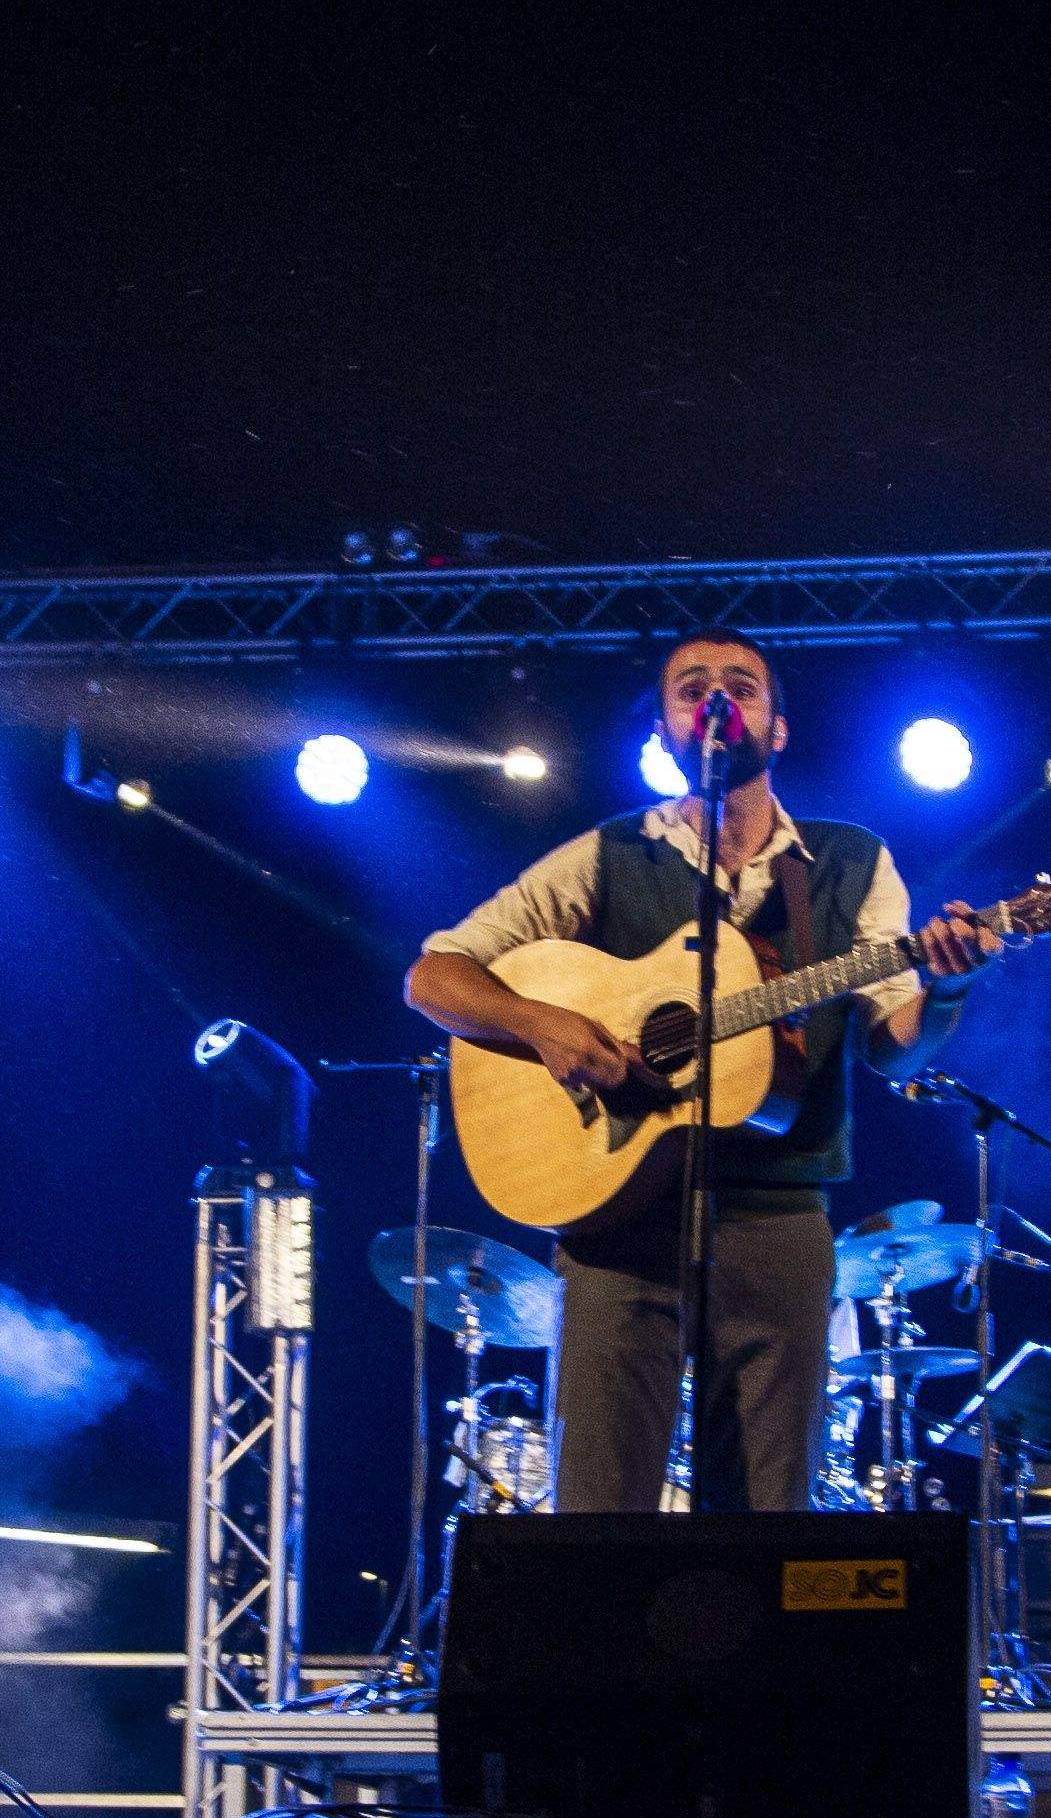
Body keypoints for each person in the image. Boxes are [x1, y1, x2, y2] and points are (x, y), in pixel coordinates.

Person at [406, 630, 1004, 1509]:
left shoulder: (849, 863)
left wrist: (948, 992)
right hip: (618, 1222)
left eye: (741, 686)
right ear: (667, 728)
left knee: (767, 1520)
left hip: (779, 1217)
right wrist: (543, 1024)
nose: (716, 700)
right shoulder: (609, 855)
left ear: (779, 725)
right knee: (598, 1515)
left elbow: (888, 1047)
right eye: (693, 689)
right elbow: (435, 976)